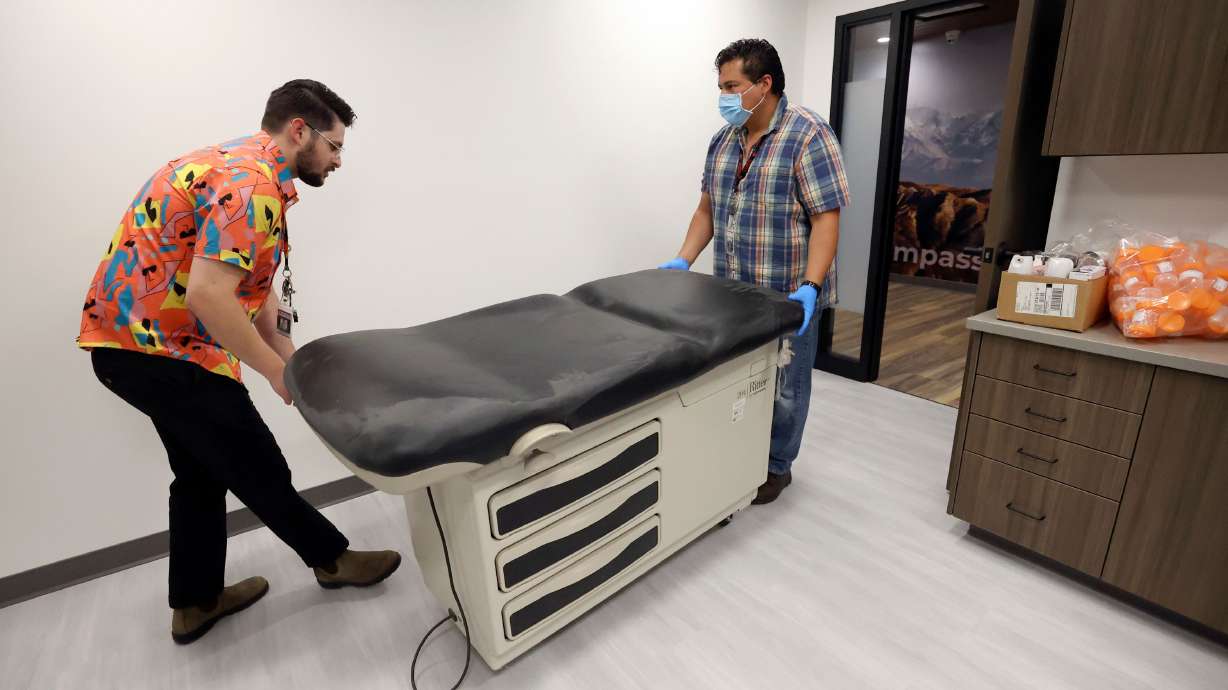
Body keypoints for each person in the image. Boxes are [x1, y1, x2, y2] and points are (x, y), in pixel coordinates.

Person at [77, 79, 402, 644]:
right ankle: (332, 559)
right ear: (299, 130)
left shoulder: (234, 165)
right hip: (158, 350)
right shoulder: (251, 187)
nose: (338, 160)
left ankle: (195, 603)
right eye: (334, 146)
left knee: (200, 473)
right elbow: (209, 297)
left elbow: (249, 285)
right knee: (257, 464)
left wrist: (290, 359)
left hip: (130, 346)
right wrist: (276, 373)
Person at [660, 39, 850, 504]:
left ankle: (776, 466)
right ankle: (739, 452)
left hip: (789, 296)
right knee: (742, 379)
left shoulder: (808, 135)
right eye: (720, 87)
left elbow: (826, 218)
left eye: (732, 86)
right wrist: (683, 259)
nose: (723, 96)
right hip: (733, 294)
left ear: (764, 85)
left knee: (786, 386)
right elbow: (707, 209)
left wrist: (810, 286)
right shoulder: (723, 141)